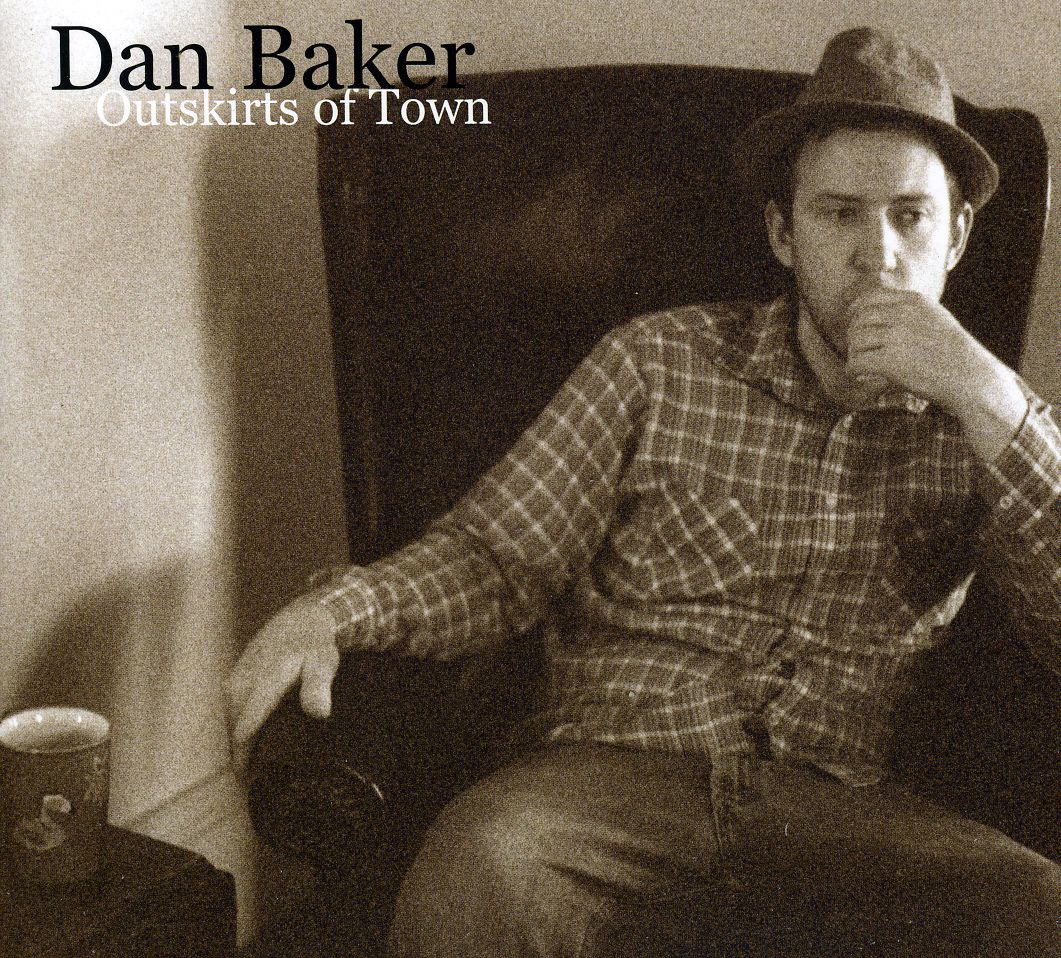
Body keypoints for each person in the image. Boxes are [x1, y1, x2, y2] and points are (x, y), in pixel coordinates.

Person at [225, 27, 1060, 958]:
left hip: (841, 813)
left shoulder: (987, 425)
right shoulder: (658, 361)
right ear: (782, 234)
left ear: (957, 235)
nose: (878, 255)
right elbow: (494, 560)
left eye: (910, 216)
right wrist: (333, 613)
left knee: (1037, 909)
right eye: (838, 215)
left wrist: (992, 402)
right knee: (481, 867)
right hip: (606, 781)